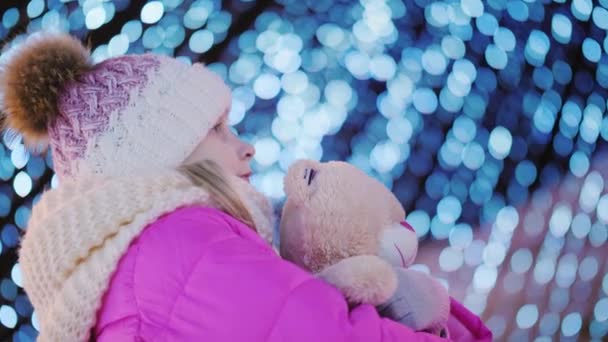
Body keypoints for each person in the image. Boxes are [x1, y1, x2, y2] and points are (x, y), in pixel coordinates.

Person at [1, 32, 491, 341]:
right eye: (217, 129)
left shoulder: (126, 275)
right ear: (163, 155)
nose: (246, 147)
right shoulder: (182, 248)